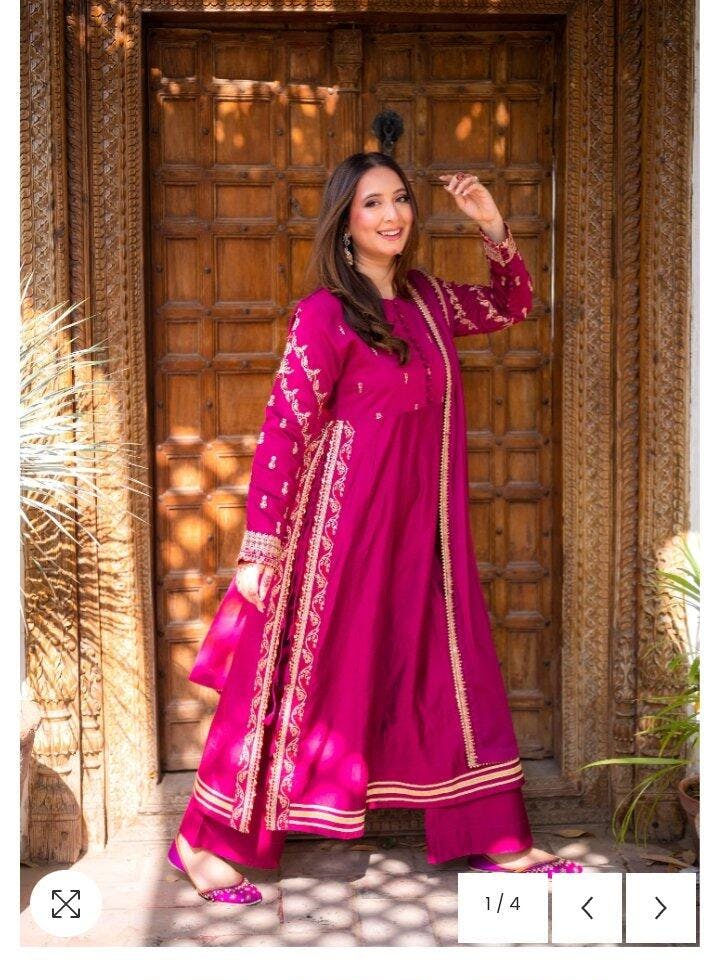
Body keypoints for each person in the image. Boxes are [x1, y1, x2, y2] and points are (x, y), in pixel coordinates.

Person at [168, 109, 580, 903]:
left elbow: (511, 303)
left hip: (425, 531)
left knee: (448, 667)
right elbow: (285, 427)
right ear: (346, 221)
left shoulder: (428, 300)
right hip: (340, 536)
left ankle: (494, 834)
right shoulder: (326, 312)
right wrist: (261, 548)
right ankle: (204, 838)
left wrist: (492, 225)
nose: (392, 215)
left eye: (400, 200)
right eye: (373, 204)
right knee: (285, 681)